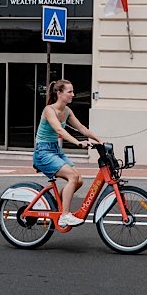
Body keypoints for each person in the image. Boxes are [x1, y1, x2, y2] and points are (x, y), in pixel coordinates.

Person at [33, 79, 103, 227]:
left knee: (79, 180)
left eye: (73, 91)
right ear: (59, 93)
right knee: (72, 176)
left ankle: (54, 206)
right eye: (69, 92)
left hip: (55, 150)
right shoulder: (49, 110)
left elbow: (81, 128)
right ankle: (64, 215)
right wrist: (77, 142)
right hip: (43, 152)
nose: (73, 94)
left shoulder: (67, 111)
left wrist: (99, 140)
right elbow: (59, 129)